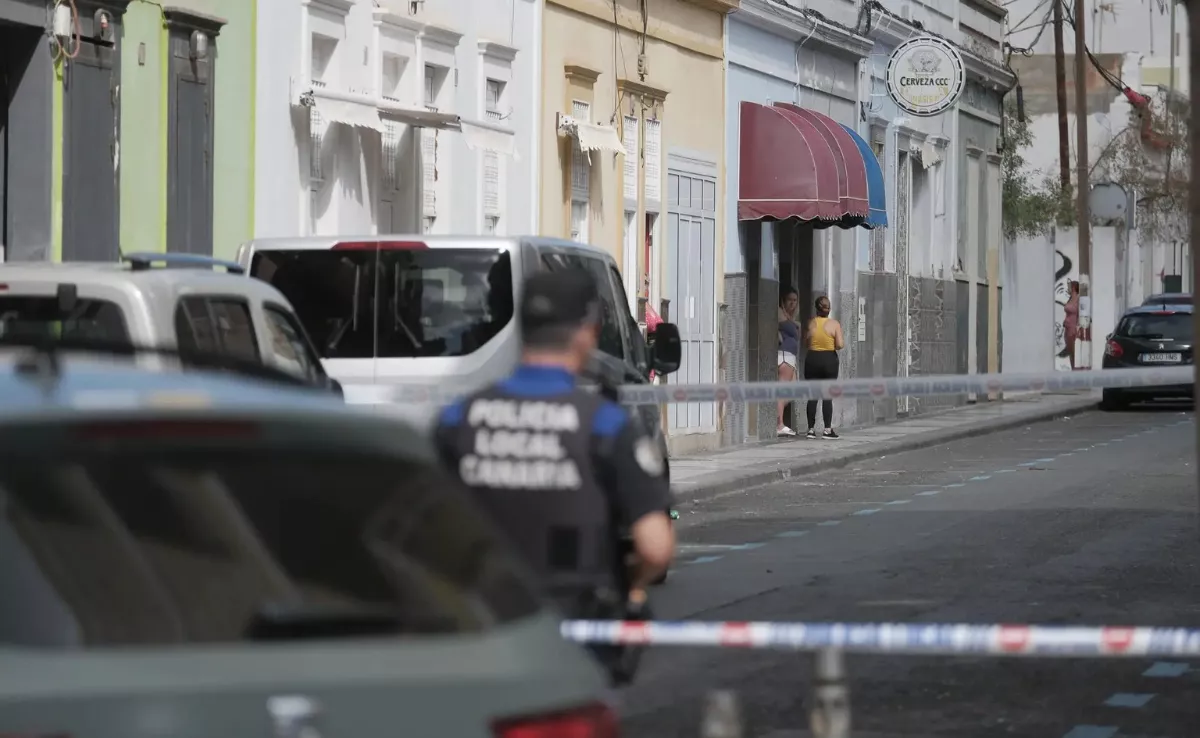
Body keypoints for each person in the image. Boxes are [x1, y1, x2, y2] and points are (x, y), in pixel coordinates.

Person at [432, 268, 675, 684]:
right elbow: (655, 547)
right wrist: (631, 588)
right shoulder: (605, 424)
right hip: (573, 635)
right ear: (588, 332)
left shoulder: (457, 419)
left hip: (480, 630)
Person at [804, 295, 844, 439]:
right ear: (829, 309)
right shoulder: (834, 324)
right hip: (829, 360)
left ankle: (810, 430)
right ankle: (827, 430)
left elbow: (806, 342)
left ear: (816, 309)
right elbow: (839, 344)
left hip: (812, 359)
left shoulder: (811, 323)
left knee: (812, 396)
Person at [777, 287, 801, 437]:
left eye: (795, 300)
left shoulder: (791, 317)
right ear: (783, 301)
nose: (792, 303)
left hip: (790, 355)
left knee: (792, 389)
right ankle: (779, 424)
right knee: (783, 389)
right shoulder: (780, 312)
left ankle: (776, 414)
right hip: (784, 355)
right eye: (789, 300)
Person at [1063, 280, 1080, 369]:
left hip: (1073, 329)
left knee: (1074, 353)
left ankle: (1076, 372)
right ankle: (1073, 371)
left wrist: (1078, 329)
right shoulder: (1070, 298)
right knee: (1070, 352)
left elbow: (1080, 314)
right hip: (1067, 328)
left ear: (1073, 287)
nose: (1068, 289)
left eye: (1069, 287)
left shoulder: (1078, 298)